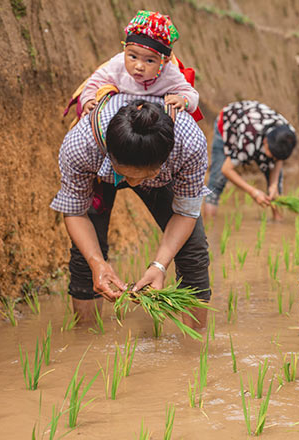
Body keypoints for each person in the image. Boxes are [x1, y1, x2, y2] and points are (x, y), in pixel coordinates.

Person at [50, 93, 211, 327]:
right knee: (86, 253)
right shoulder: (82, 144)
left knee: (192, 250)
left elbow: (186, 212)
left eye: (145, 176)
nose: (134, 183)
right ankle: (86, 338)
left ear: (166, 159)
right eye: (126, 175)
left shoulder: (189, 144)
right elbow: (75, 211)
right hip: (101, 175)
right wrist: (97, 262)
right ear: (108, 152)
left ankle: (194, 348)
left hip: (160, 175)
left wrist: (159, 266)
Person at [78, 10, 199, 119]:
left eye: (149, 61)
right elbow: (94, 82)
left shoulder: (170, 74)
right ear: (125, 50)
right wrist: (88, 100)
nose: (139, 66)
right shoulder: (117, 65)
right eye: (133, 57)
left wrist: (183, 100)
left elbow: (191, 94)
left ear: (165, 60)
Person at [201, 101, 297, 220]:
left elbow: (278, 160)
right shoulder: (249, 138)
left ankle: (278, 221)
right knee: (216, 182)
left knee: (276, 192)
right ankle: (210, 226)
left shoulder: (288, 135)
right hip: (227, 125)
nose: (274, 159)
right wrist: (254, 192)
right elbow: (226, 169)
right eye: (272, 155)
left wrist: (273, 185)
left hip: (252, 123)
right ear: (266, 142)